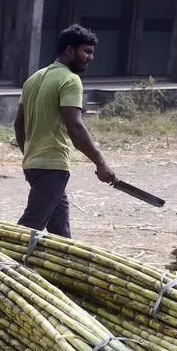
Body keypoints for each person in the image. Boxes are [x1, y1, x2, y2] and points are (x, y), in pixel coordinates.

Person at [14, 24, 116, 238]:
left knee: (60, 231)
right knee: (28, 229)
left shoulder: (32, 79)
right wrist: (101, 163)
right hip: (52, 165)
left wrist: (29, 155)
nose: (90, 57)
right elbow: (76, 128)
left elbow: (18, 124)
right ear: (70, 50)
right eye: (86, 51)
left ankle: (64, 268)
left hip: (35, 164)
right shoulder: (70, 80)